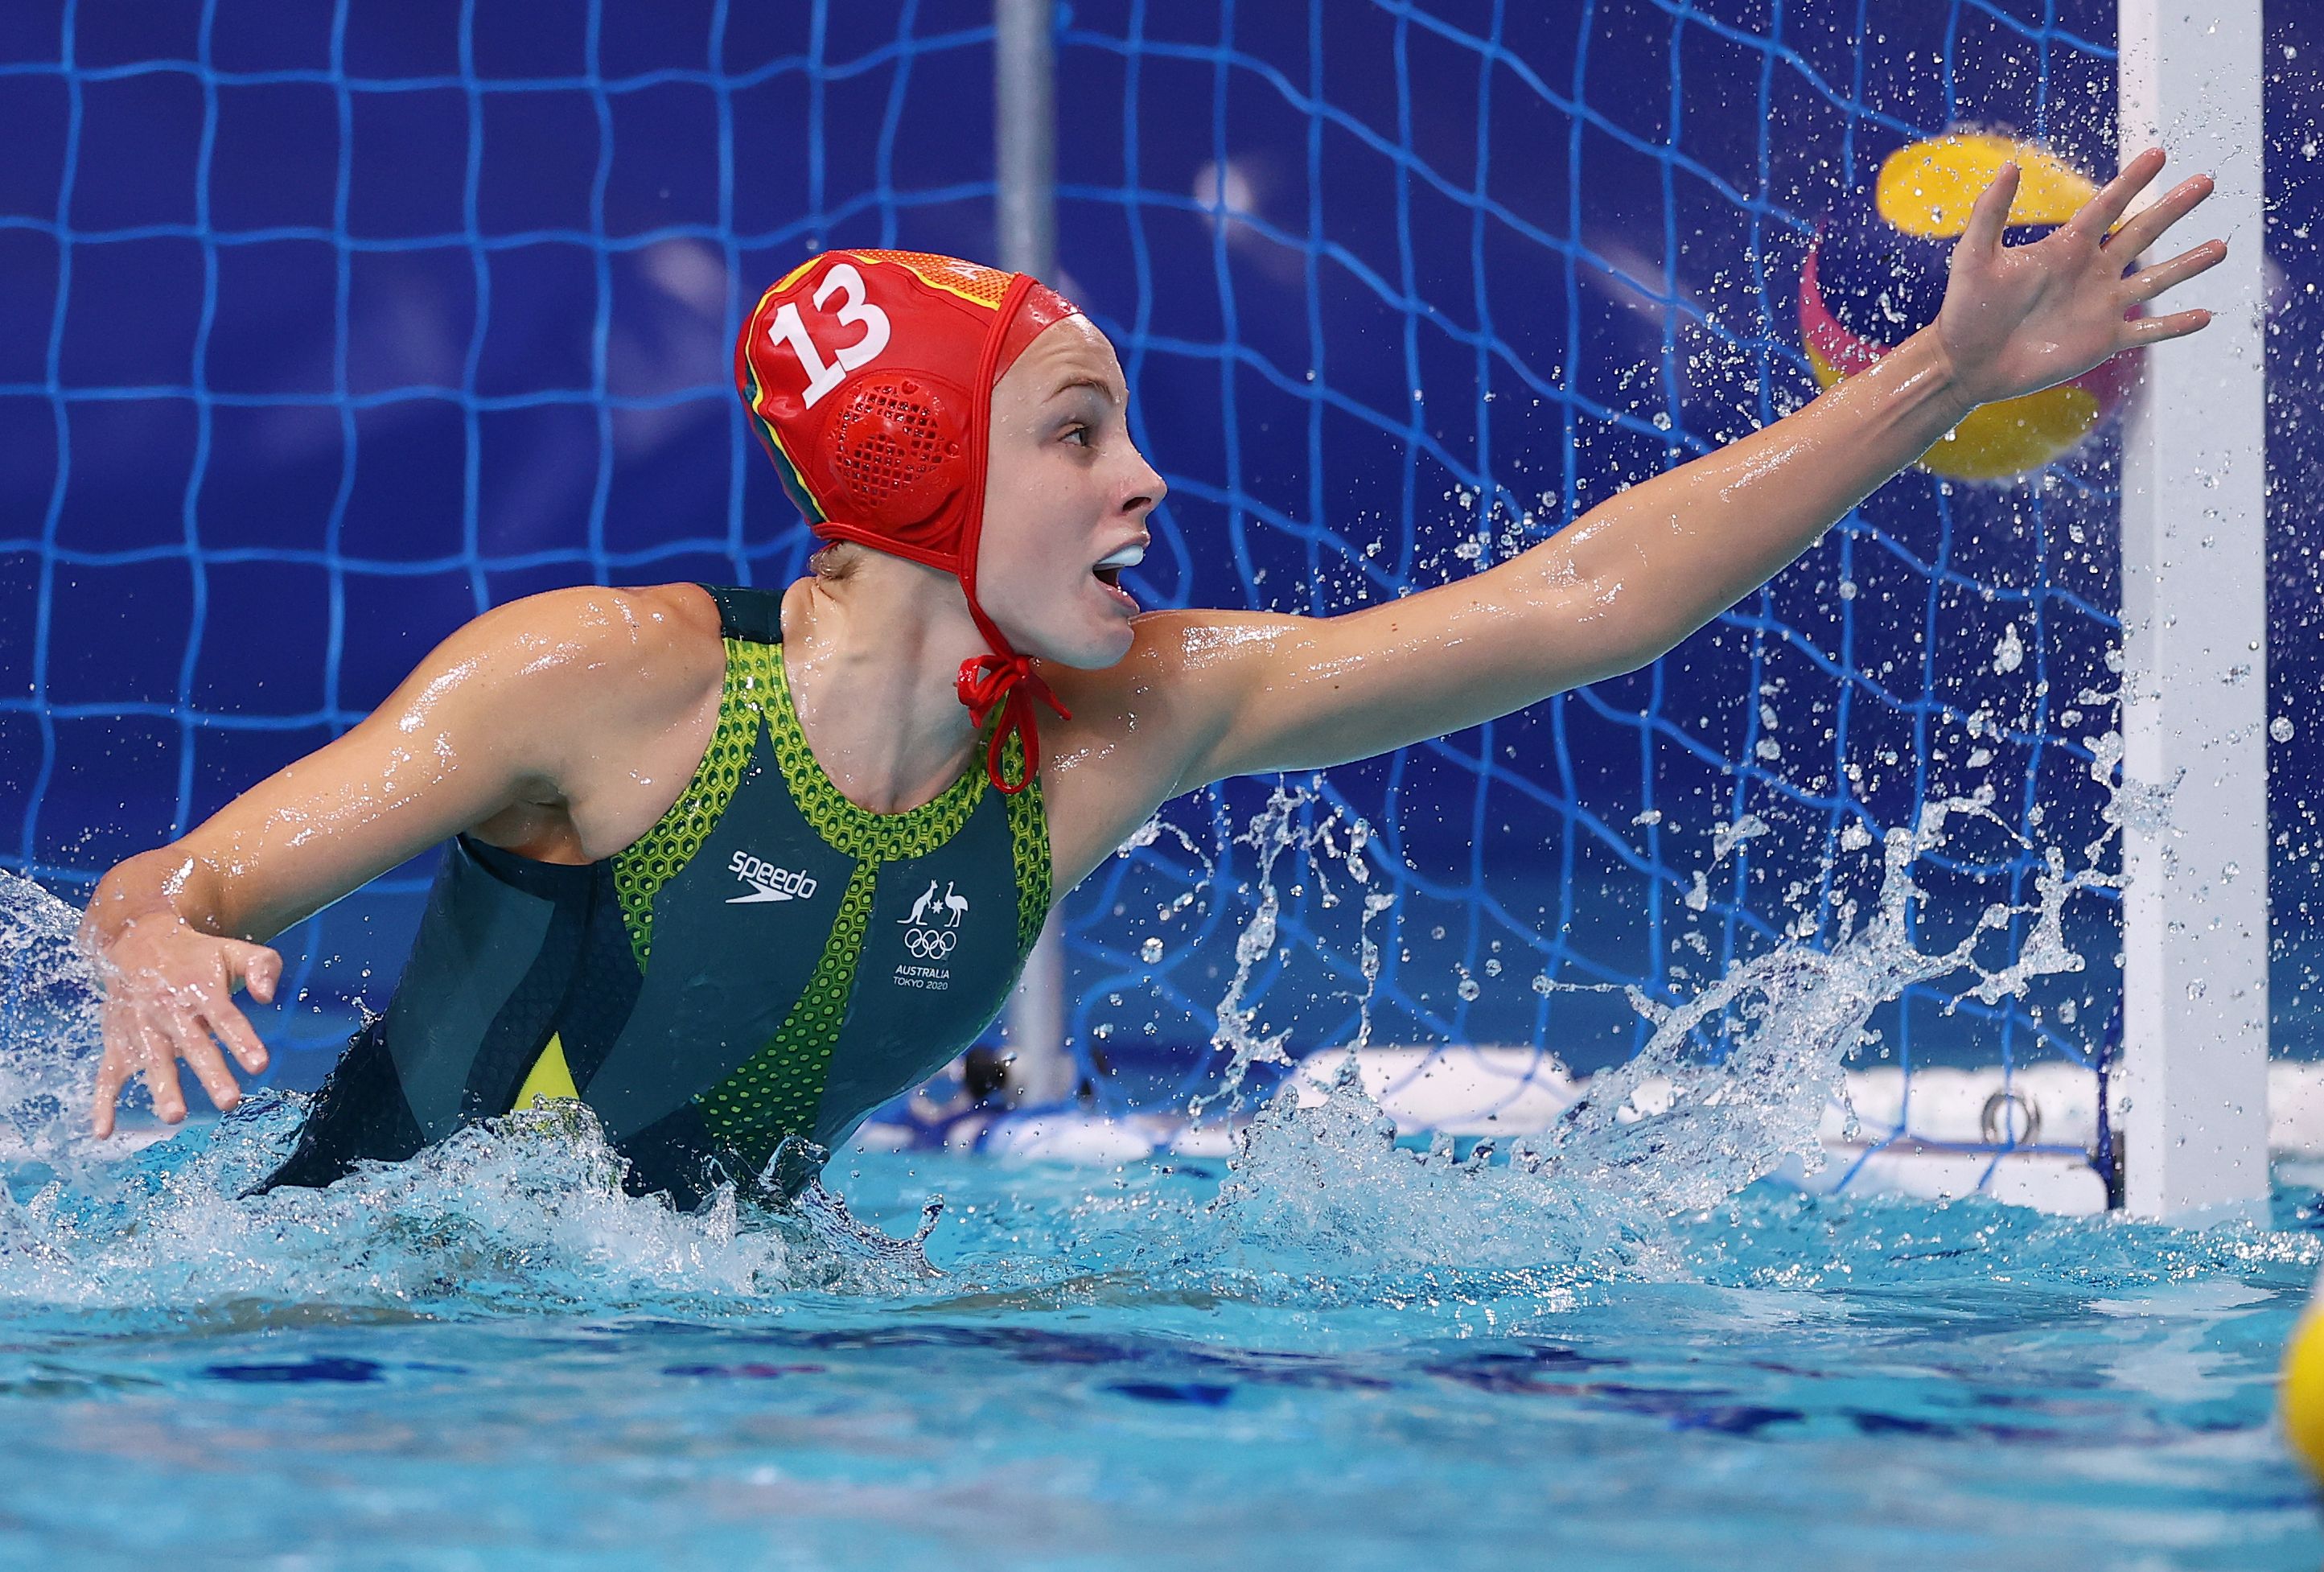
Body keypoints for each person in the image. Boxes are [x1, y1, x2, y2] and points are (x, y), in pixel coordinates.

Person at [80, 150, 2224, 1206]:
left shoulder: (1119, 727)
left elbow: (1585, 600)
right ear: (922, 475)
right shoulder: (606, 684)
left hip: (718, 1330)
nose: (1145, 481)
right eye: (1077, 434)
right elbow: (176, 888)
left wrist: (1941, 376)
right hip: (370, 1327)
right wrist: (164, 934)